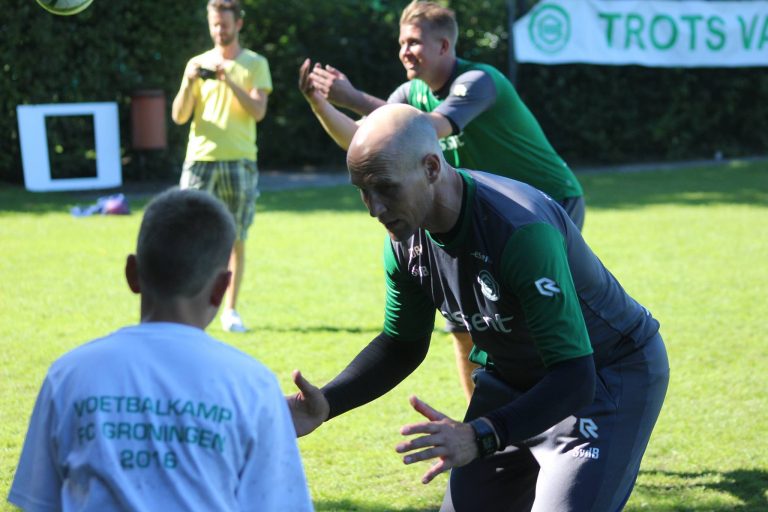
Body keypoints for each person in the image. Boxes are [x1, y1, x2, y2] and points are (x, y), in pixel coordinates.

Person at [288, 104, 669, 511]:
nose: (373, 208)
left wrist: (482, 434)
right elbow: (402, 344)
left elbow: (575, 377)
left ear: (432, 168)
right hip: (512, 381)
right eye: (362, 190)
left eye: (385, 187)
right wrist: (327, 402)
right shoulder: (405, 241)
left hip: (604, 378)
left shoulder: (518, 231)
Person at [299, 0, 584, 400]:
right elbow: (368, 145)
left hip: (548, 203)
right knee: (465, 322)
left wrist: (354, 96)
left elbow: (426, 129)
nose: (404, 51)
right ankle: (481, 413)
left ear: (445, 47)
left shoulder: (478, 81)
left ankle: (566, 406)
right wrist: (321, 104)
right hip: (483, 216)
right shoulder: (408, 94)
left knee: (534, 318)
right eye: (401, 43)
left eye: (414, 42)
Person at [7, 189, 313, 511]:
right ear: (222, 288)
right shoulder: (253, 385)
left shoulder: (70, 374)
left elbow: (40, 501)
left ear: (132, 274)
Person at [172, 0, 272, 333]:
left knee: (235, 237)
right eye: (214, 25)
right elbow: (179, 116)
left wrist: (228, 81)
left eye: (225, 25)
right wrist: (188, 82)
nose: (219, 30)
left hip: (239, 161)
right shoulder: (197, 63)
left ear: (238, 24)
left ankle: (230, 310)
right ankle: (187, 305)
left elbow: (258, 111)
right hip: (199, 159)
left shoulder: (255, 64)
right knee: (186, 233)